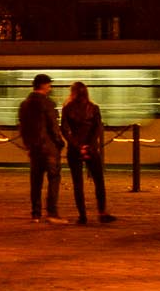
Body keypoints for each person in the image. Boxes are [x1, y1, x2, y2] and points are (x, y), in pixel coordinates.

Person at [63, 81, 114, 224]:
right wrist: (89, 145)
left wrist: (77, 146)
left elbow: (65, 130)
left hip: (74, 150)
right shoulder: (94, 108)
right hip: (92, 149)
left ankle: (82, 216)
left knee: (78, 183)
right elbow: (97, 128)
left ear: (72, 92)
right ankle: (102, 212)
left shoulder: (67, 108)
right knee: (99, 181)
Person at [18, 73, 63, 223]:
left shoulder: (24, 104)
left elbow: (23, 128)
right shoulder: (47, 103)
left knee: (36, 181)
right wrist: (59, 142)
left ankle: (35, 214)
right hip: (49, 147)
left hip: (34, 148)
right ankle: (52, 213)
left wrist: (28, 146)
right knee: (54, 178)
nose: (50, 88)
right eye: (49, 85)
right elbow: (53, 126)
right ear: (44, 85)